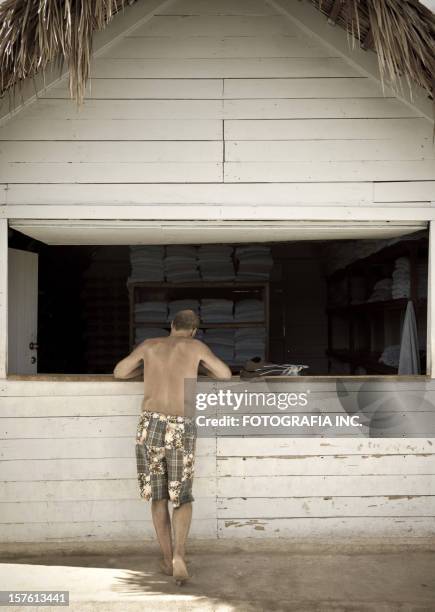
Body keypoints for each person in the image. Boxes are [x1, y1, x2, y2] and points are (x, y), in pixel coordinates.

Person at [113, 309, 232, 584]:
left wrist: (147, 368)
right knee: (182, 496)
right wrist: (198, 366)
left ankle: (166, 559)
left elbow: (120, 372)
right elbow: (224, 374)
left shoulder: (149, 345)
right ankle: (180, 555)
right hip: (180, 426)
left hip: (149, 425)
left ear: (171, 325)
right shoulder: (195, 346)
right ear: (193, 330)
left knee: (159, 496)